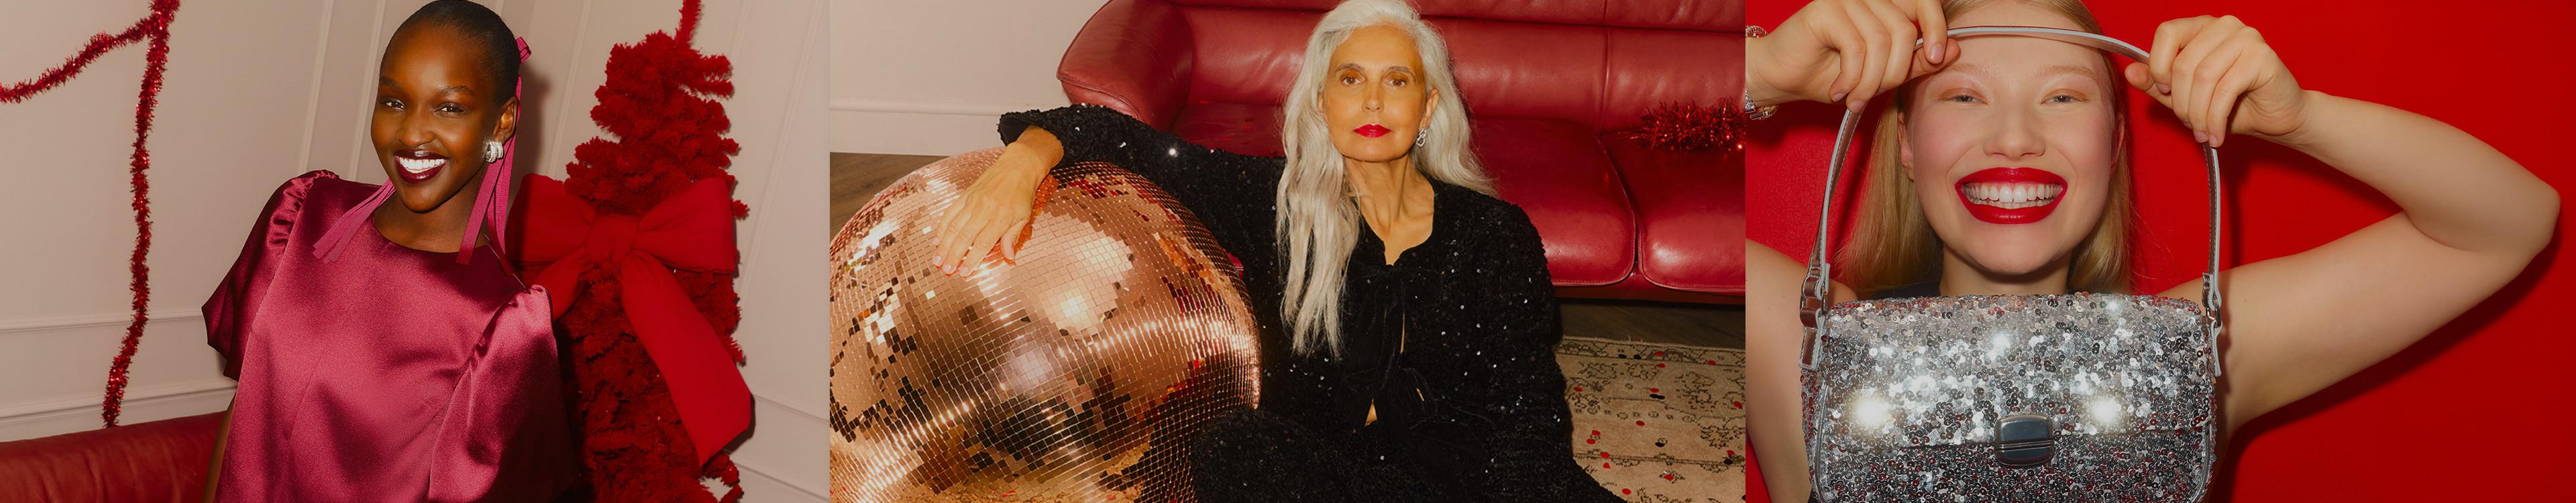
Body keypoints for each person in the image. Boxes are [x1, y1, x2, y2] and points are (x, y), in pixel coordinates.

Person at [1738, 1, 2561, 501]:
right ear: (1907, 145)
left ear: (2113, 146)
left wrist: (2298, 117)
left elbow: (2509, 223)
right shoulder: (1812, 347)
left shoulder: (2183, 353)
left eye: (2063, 96)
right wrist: (1762, 71)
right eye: (1964, 94)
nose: (2016, 136)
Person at [927, 0, 1618, 501]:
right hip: (1328, 479)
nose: (1373, 98)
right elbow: (1116, 136)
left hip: (1480, 481)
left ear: (1429, 107)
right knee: (1232, 447)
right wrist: (1022, 163)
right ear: (1321, 102)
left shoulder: (1495, 233)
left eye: (1397, 80)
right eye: (1350, 78)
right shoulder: (1276, 204)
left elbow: (1529, 417)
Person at [201, 1, 574, 500]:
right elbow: (246, 411)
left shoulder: (504, 326)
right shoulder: (302, 215)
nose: (411, 134)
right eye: (394, 101)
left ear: (502, 121)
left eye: (449, 107)